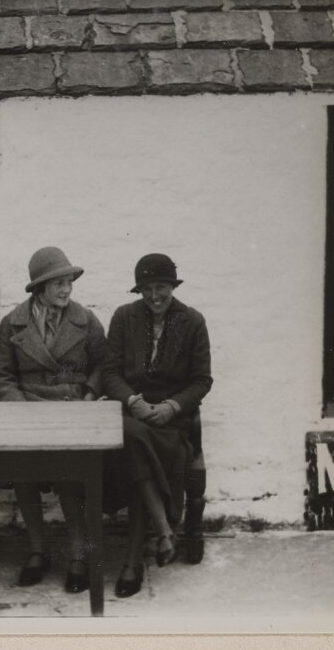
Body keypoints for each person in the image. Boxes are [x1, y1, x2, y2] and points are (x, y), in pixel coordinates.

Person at [0, 246, 106, 593]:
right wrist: (21, 410)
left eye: (68, 281)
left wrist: (88, 394)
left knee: (71, 478)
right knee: (24, 476)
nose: (66, 289)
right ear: (39, 288)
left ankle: (78, 555)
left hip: (71, 410)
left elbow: (105, 365)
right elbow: (3, 377)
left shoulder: (86, 321)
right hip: (27, 410)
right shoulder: (12, 324)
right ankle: (38, 551)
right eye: (58, 283)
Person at [102, 253, 212, 598]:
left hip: (169, 424)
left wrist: (171, 406)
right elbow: (110, 372)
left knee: (139, 455)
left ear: (172, 287)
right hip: (132, 416)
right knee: (134, 437)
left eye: (160, 287)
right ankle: (162, 532)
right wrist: (133, 402)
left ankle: (135, 561)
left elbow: (201, 380)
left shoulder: (192, 322)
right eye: (146, 288)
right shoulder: (124, 317)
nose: (154, 296)